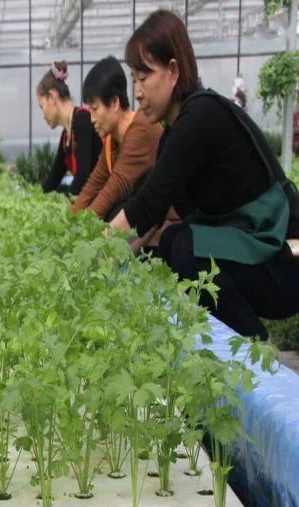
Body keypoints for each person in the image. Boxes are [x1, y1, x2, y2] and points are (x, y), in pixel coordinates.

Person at [109, 10, 299, 340]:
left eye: (144, 76)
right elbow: (157, 213)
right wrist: (120, 258)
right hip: (256, 252)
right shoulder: (174, 131)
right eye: (134, 79)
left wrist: (93, 254)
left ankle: (252, 348)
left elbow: (149, 205)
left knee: (184, 247)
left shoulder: (201, 115)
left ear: (172, 70)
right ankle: (217, 342)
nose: (137, 91)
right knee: (166, 241)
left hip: (284, 258)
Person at [71, 56, 163, 222]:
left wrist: (83, 227)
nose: (91, 119)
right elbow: (94, 183)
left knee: (115, 210)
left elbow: (115, 187)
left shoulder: (141, 128)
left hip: (162, 227)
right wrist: (71, 217)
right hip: (141, 223)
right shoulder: (112, 139)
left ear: (114, 102)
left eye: (95, 109)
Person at [38, 61, 103, 196]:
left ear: (52, 97)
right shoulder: (66, 136)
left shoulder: (82, 119)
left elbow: (83, 175)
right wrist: (36, 199)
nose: (43, 115)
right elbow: (54, 178)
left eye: (41, 106)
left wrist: (68, 206)